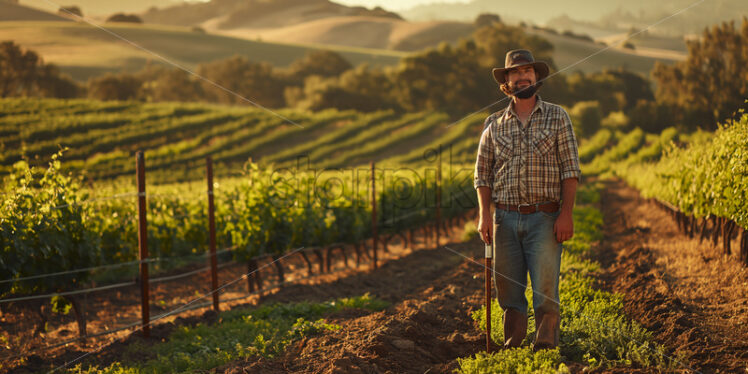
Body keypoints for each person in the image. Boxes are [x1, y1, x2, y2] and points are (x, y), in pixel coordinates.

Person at [473, 49, 581, 351]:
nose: (522, 77)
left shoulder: (558, 117)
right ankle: (514, 342)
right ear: (507, 82)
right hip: (504, 219)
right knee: (508, 289)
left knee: (545, 287)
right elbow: (482, 175)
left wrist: (566, 214)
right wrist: (484, 215)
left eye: (527, 71)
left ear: (536, 77)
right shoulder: (493, 124)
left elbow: (570, 170)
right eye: (515, 73)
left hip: (544, 217)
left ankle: (546, 341)